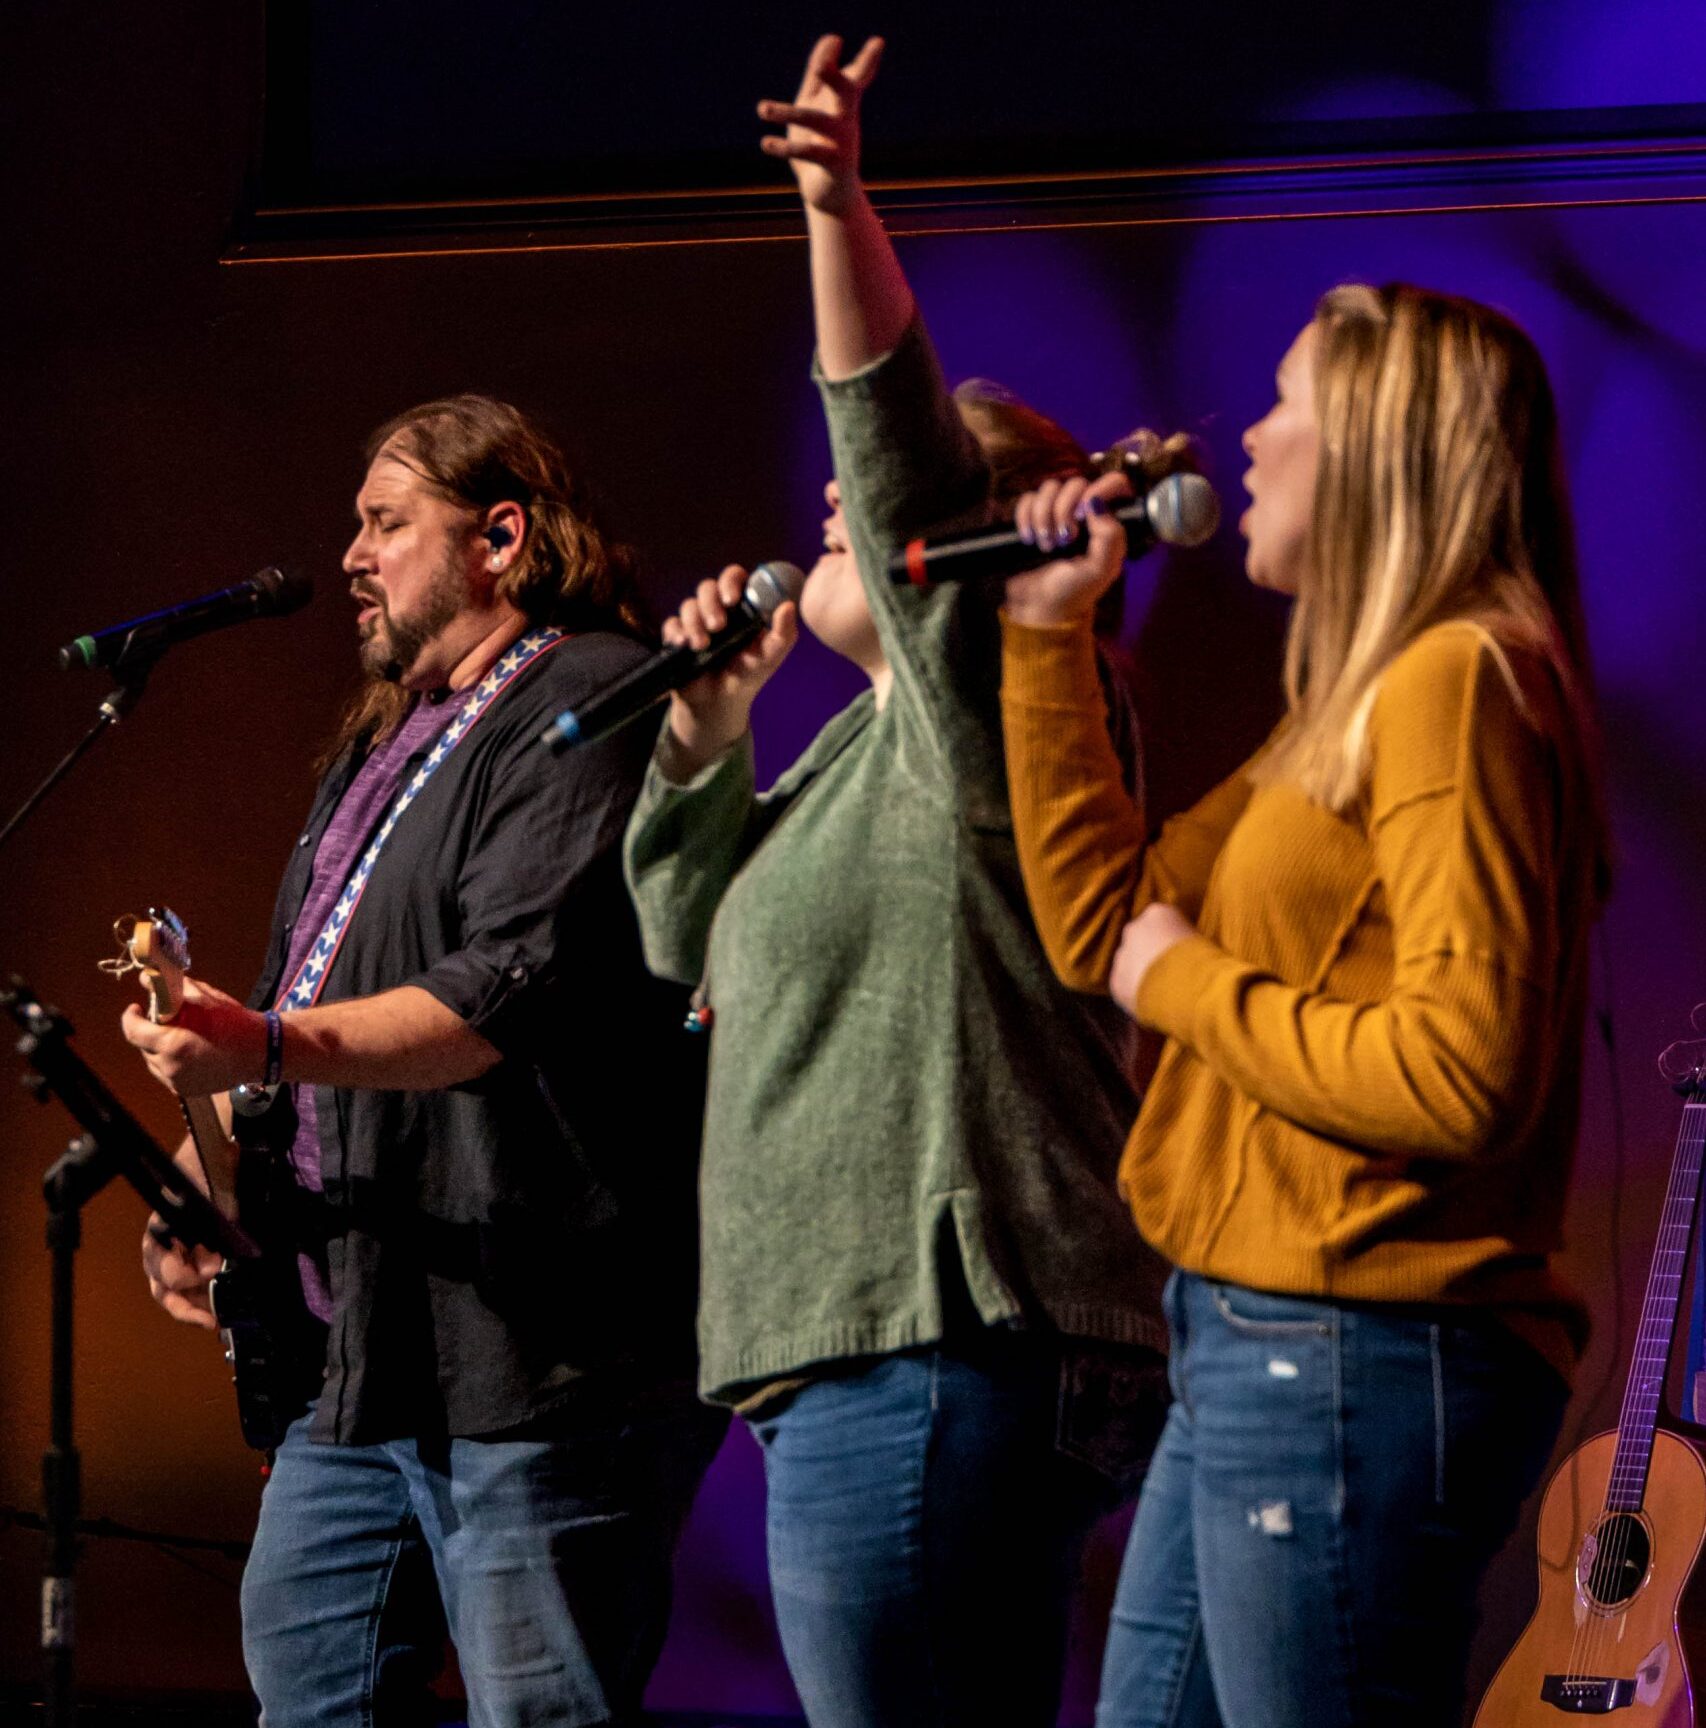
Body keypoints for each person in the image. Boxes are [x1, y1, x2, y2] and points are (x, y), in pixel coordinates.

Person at [622, 36, 1170, 1728]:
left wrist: (833, 202)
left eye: (877, 506)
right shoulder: (858, 760)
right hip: (855, 1361)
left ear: (981, 550)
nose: (835, 517)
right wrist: (708, 728)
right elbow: (679, 943)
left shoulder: (1004, 715)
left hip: (942, 1340)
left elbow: (894, 453)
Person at [998, 282, 1609, 1726]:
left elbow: (1465, 1073)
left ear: (1385, 449)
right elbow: (1101, 926)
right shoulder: (1351, 707)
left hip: (1352, 1344)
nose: (1248, 442)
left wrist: (1190, 984)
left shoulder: (1455, 681)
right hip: (1259, 1333)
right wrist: (1046, 636)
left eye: (1286, 405)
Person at [124, 393, 727, 1728]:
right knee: (310, 1685)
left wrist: (261, 1041)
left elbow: (495, 999)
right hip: (360, 1348)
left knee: (543, 1712)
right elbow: (306, 998)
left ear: (500, 537)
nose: (350, 554)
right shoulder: (384, 738)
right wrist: (205, 1172)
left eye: (387, 523)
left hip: (534, 1351)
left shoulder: (589, 697)